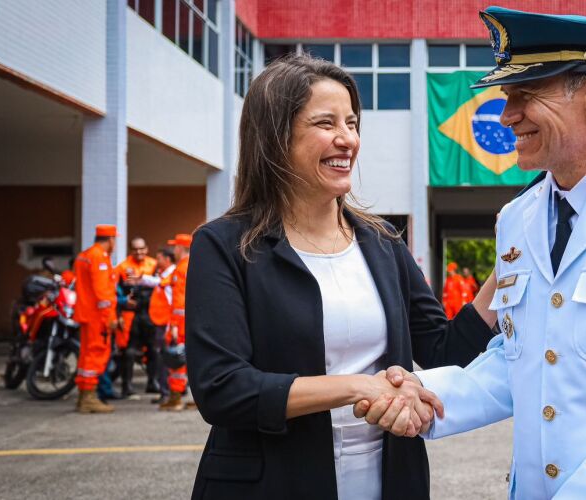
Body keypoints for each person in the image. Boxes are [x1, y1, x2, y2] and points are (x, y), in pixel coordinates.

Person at [357, 7, 586, 499]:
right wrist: (429, 395)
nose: (506, 114)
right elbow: (520, 360)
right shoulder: (518, 219)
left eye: (525, 94)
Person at [185, 54, 498, 499]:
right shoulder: (224, 245)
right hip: (273, 483)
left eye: (352, 123)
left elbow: (444, 349)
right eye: (326, 123)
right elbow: (223, 388)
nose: (347, 139)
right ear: (275, 138)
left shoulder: (383, 241)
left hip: (388, 481)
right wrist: (356, 387)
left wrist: (507, 264)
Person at [73, 224, 120, 413]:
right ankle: (89, 398)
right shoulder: (99, 257)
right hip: (97, 317)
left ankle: (84, 395)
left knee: (86, 356)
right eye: (114, 240)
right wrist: (110, 317)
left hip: (86, 314)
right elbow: (103, 293)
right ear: (110, 240)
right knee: (95, 354)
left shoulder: (84, 255)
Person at [115, 236, 159, 397]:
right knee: (129, 351)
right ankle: (126, 386)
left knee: (153, 349)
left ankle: (152, 383)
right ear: (130, 250)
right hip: (130, 315)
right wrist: (118, 313)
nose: (139, 252)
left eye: (142, 248)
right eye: (135, 249)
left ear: (146, 249)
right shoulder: (122, 267)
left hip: (150, 313)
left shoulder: (154, 264)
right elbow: (116, 292)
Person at [159, 233, 191, 411]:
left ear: (180, 248)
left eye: (175, 247)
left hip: (181, 323)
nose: (173, 250)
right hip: (189, 321)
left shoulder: (181, 268)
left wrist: (173, 325)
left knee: (177, 360)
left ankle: (176, 397)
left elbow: (179, 303)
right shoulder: (193, 265)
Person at [148, 245, 177, 404]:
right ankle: (166, 392)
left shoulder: (171, 275)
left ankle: (167, 392)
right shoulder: (165, 275)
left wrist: (171, 326)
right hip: (162, 323)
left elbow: (174, 303)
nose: (156, 261)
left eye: (158, 258)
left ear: (167, 259)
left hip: (166, 325)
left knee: (165, 358)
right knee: (164, 357)